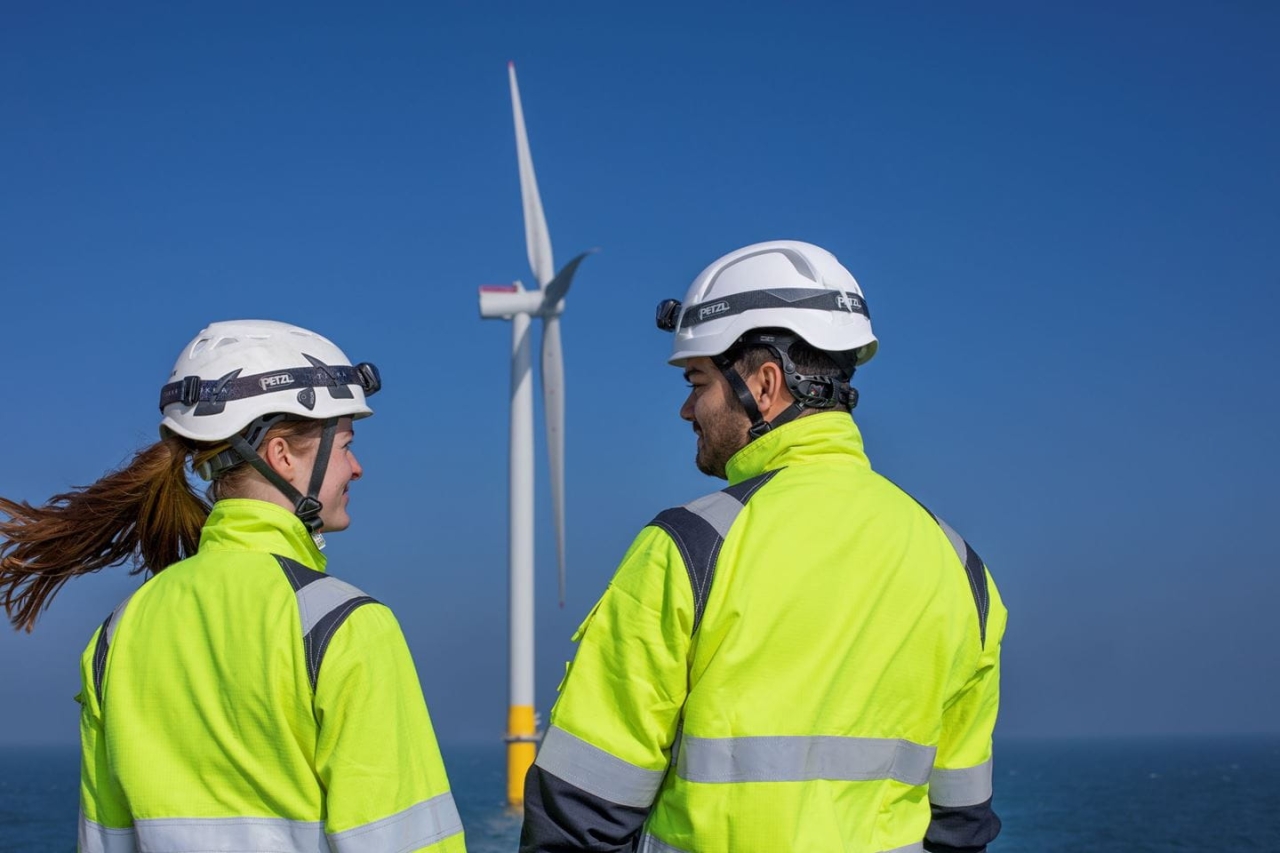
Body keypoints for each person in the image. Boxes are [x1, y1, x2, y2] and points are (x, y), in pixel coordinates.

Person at [519, 240, 1007, 853]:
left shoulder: (691, 548)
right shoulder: (960, 567)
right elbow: (961, 822)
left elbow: (582, 809)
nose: (686, 408)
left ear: (766, 383)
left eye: (698, 381)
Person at [0, 319, 466, 853]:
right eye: (345, 445)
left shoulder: (120, 631)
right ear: (282, 453)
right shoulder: (344, 626)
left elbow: (103, 841)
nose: (356, 468)